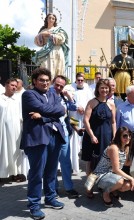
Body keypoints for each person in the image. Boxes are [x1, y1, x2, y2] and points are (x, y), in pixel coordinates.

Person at [21, 67, 66, 219]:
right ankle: (34, 206)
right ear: (34, 81)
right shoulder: (28, 94)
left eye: (47, 80)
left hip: (54, 135)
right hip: (37, 138)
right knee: (36, 172)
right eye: (41, 80)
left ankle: (50, 197)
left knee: (51, 170)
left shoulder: (53, 93)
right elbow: (43, 108)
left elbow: (61, 111)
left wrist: (43, 117)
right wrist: (51, 112)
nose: (45, 83)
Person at [82, 79, 116, 185]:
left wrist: (114, 136)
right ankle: (89, 186)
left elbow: (113, 122)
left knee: (106, 162)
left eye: (106, 88)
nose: (104, 90)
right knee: (91, 162)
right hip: (94, 136)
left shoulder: (111, 104)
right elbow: (86, 120)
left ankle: (103, 185)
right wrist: (92, 135)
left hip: (106, 137)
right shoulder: (92, 102)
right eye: (102, 88)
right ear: (97, 89)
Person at [50, 75, 79, 198]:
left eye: (61, 86)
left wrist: (68, 97)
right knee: (52, 163)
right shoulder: (47, 95)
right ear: (52, 83)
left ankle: (69, 187)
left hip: (65, 133)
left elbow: (72, 111)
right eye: (57, 84)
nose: (58, 87)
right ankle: (53, 188)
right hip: (51, 134)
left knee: (66, 162)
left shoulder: (63, 96)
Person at [93, 127, 134, 207]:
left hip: (112, 174)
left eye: (130, 135)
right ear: (119, 136)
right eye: (125, 136)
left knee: (128, 185)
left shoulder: (125, 147)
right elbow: (116, 169)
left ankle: (111, 189)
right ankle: (105, 193)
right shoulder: (114, 148)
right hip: (101, 174)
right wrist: (131, 178)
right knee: (120, 181)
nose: (128, 138)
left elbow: (126, 163)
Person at [0, 78, 27, 182]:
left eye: (16, 86)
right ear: (6, 85)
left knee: (14, 151)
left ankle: (15, 173)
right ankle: (2, 173)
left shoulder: (19, 99)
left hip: (15, 130)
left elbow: (23, 115)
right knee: (2, 151)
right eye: (12, 85)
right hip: (1, 129)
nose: (14, 87)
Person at [69, 73, 93, 173]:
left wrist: (85, 109)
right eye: (78, 80)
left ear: (84, 81)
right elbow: (69, 102)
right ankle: (73, 165)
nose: (80, 81)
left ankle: (87, 165)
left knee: (85, 139)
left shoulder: (88, 90)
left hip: (84, 117)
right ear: (75, 80)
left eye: (81, 80)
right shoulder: (71, 89)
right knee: (73, 140)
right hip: (74, 116)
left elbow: (91, 102)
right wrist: (77, 107)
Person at [32, 13, 69, 79]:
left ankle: (57, 84)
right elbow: (37, 42)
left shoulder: (58, 29)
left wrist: (50, 35)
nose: (51, 19)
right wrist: (41, 35)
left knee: (58, 68)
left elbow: (62, 39)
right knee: (46, 67)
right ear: (46, 19)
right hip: (47, 52)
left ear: (55, 21)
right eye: (49, 18)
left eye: (53, 18)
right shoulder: (43, 30)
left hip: (57, 50)